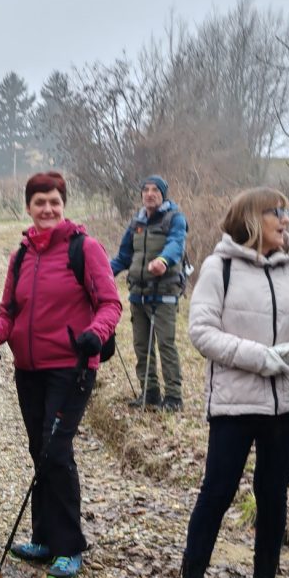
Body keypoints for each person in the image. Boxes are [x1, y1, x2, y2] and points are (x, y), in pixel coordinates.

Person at [171, 188, 289, 578]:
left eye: (286, 211)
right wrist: (261, 357)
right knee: (216, 494)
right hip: (236, 404)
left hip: (288, 403)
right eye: (278, 212)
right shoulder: (220, 267)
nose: (285, 220)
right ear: (252, 218)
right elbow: (202, 331)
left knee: (273, 497)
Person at [0, 172, 121, 578]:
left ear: (64, 204)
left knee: (56, 450)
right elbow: (9, 311)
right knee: (38, 447)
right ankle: (42, 538)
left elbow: (110, 303)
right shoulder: (21, 255)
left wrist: (96, 333)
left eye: (54, 201)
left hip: (72, 366)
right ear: (28, 207)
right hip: (29, 369)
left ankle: (69, 546)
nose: (47, 209)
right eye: (40, 202)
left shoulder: (84, 248)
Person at [110, 175, 189, 411]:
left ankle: (174, 397)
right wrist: (101, 275)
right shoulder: (137, 221)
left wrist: (163, 260)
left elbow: (177, 243)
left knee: (166, 344)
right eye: (145, 190)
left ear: (163, 194)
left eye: (155, 190)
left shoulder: (175, 218)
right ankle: (150, 392)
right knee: (141, 346)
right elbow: (123, 256)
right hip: (138, 293)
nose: (149, 194)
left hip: (164, 293)